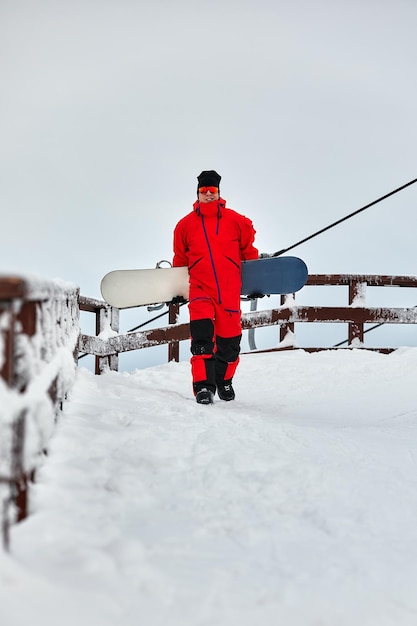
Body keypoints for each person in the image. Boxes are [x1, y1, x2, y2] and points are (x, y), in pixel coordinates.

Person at [173, 170, 258, 405]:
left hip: (229, 292)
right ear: (198, 193)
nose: (208, 195)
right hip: (200, 290)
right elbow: (180, 260)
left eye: (212, 191)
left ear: (219, 193)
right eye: (204, 191)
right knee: (201, 340)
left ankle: (224, 381)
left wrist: (257, 282)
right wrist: (178, 290)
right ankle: (203, 387)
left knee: (230, 345)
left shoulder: (237, 222)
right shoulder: (185, 226)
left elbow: (249, 254)